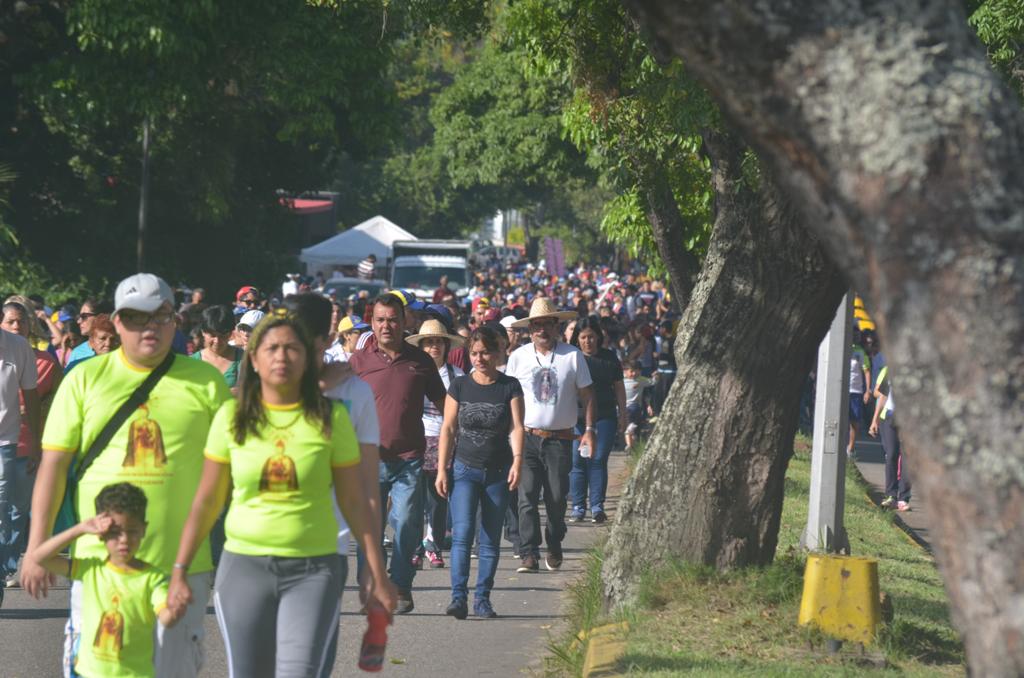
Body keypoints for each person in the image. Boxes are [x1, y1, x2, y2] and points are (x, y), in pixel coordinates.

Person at [22, 273, 231, 678]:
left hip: (181, 565)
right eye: (136, 317)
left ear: (175, 321)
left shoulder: (206, 382)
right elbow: (53, 468)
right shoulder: (84, 379)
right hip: (100, 566)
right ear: (117, 322)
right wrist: (36, 547)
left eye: (160, 316)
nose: (149, 326)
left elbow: (232, 468)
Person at [167, 310, 393, 677]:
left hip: (314, 568)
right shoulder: (231, 416)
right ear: (253, 359)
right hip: (243, 567)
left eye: (292, 348)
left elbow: (355, 500)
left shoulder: (331, 416)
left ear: (308, 358)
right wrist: (180, 569)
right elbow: (207, 500)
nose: (282, 356)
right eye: (271, 348)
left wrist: (375, 570)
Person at [350, 294, 446, 613]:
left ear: (404, 322)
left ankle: (402, 584)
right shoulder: (358, 362)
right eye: (380, 320)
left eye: (392, 319)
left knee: (406, 522)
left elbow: (446, 405)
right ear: (372, 323)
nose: (386, 325)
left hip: (409, 458)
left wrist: (458, 437)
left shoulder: (421, 361)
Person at [32, 483, 180, 677]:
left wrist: (176, 609)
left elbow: (166, 617)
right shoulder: (91, 569)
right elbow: (40, 557)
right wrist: (80, 529)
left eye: (132, 530)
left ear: (144, 529)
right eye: (115, 532)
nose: (124, 539)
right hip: (88, 672)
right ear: (101, 534)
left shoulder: (153, 578)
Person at [436, 326, 524, 619]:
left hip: (498, 472)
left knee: (489, 540)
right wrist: (442, 469)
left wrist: (517, 461)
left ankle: (482, 599)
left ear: (497, 353)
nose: (479, 358)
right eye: (474, 353)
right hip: (464, 469)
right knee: (462, 535)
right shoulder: (459, 386)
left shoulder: (509, 386)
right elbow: (448, 428)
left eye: (485, 352)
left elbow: (516, 427)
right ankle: (458, 598)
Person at [506, 298, 595, 573]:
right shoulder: (518, 356)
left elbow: (587, 395)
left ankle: (554, 542)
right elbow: (508, 398)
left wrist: (589, 430)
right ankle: (528, 552)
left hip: (561, 438)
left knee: (557, 497)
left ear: (556, 326)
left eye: (546, 324)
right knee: (527, 496)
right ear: (529, 329)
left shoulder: (572, 355)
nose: (541, 330)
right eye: (536, 325)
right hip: (527, 436)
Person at [405, 319, 465, 569]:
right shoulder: (414, 371)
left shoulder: (457, 375)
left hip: (446, 439)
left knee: (439, 498)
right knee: (415, 498)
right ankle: (416, 547)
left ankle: (435, 545)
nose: (434, 347)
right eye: (429, 342)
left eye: (438, 342)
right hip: (418, 437)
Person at [568, 316, 626, 524]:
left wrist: (624, 414)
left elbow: (619, 387)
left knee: (598, 459)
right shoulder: (572, 358)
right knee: (577, 462)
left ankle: (596, 506)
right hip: (576, 419)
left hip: (605, 417)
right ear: (577, 339)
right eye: (583, 337)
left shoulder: (609, 358)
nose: (587, 342)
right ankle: (577, 506)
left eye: (591, 337)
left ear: (598, 338)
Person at [0, 311, 40, 606]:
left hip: (6, 442)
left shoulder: (18, 347)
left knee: (4, 510)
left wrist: (38, 441)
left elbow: (32, 395)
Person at [869, 366, 911, 511]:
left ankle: (903, 497)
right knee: (891, 454)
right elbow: (882, 396)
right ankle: (891, 495)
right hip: (889, 416)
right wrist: (874, 420)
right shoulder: (890, 370)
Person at [190, 305, 243, 390]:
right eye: (212, 335)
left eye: (223, 336)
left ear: (230, 333)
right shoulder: (192, 362)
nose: (217, 341)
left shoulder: (243, 358)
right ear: (203, 332)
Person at [847, 332, 872, 459]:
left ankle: (850, 447)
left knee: (855, 421)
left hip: (856, 391)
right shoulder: (841, 348)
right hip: (841, 390)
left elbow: (866, 371)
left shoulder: (859, 352)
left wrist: (867, 390)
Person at [622, 360, 654, 451]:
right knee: (628, 428)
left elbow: (652, 382)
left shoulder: (641, 380)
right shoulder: (620, 380)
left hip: (635, 407)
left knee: (632, 428)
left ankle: (630, 445)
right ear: (625, 371)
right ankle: (630, 445)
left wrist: (656, 376)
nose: (634, 374)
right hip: (622, 407)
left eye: (637, 371)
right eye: (631, 371)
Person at [64, 299, 105, 365]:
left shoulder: (117, 348)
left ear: (99, 316)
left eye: (84, 316)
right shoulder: (77, 353)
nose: (79, 321)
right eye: (79, 317)